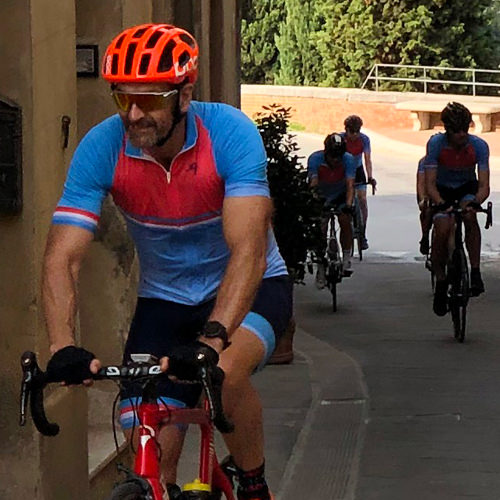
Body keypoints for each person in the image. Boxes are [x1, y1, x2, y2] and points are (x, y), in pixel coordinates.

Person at [42, 24, 292, 500]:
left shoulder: (229, 133)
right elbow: (63, 257)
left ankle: (254, 482)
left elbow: (249, 248)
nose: (134, 115)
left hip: (251, 288)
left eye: (151, 99)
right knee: (150, 439)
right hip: (165, 300)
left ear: (185, 94)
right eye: (123, 100)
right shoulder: (102, 147)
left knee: (224, 372)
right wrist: (61, 347)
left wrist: (215, 337)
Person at [425, 102, 490, 316]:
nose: (462, 135)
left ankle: (475, 270)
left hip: (466, 189)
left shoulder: (479, 146)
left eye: (465, 129)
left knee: (470, 217)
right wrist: (440, 203)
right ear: (446, 130)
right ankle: (441, 281)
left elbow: (483, 186)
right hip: (442, 189)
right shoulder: (435, 144)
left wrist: (475, 202)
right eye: (456, 131)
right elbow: (430, 184)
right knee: (442, 226)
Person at [307, 133, 357, 289]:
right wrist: (315, 202)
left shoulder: (348, 159)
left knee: (344, 220)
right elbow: (313, 185)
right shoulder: (315, 159)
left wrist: (349, 205)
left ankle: (347, 257)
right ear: (325, 152)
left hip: (340, 196)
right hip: (322, 195)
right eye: (332, 156)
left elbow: (350, 185)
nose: (336, 160)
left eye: (338, 157)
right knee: (320, 228)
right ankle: (321, 266)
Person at [341, 115, 376, 250]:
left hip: (358, 169)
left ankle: (362, 233)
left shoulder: (364, 139)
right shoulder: (341, 139)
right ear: (346, 130)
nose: (355, 135)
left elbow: (367, 159)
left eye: (357, 131)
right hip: (344, 171)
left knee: (362, 199)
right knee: (346, 198)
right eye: (352, 131)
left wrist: (370, 177)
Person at [416, 157, 432, 255]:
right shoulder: (424, 161)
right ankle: (425, 236)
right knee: (427, 211)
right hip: (428, 191)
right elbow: (421, 184)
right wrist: (422, 199)